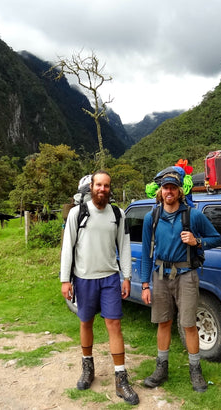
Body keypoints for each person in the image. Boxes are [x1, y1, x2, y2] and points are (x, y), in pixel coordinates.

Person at [60, 170, 139, 405]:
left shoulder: (118, 213)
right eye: (98, 185)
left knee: (114, 324)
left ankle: (121, 378)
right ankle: (87, 368)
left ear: (109, 188)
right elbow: (68, 248)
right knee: (86, 322)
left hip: (110, 278)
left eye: (106, 185)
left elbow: (124, 246)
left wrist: (127, 276)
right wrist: (65, 280)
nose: (102, 189)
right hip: (83, 278)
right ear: (91, 187)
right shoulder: (77, 213)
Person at [140, 169, 221, 392]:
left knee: (188, 324)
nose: (169, 191)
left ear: (179, 191)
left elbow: (217, 238)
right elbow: (148, 252)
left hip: (186, 275)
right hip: (160, 276)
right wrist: (145, 284)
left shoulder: (192, 215)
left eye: (173, 188)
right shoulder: (152, 217)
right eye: (166, 187)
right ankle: (161, 368)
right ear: (161, 191)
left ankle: (196, 372)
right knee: (163, 322)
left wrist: (197, 241)